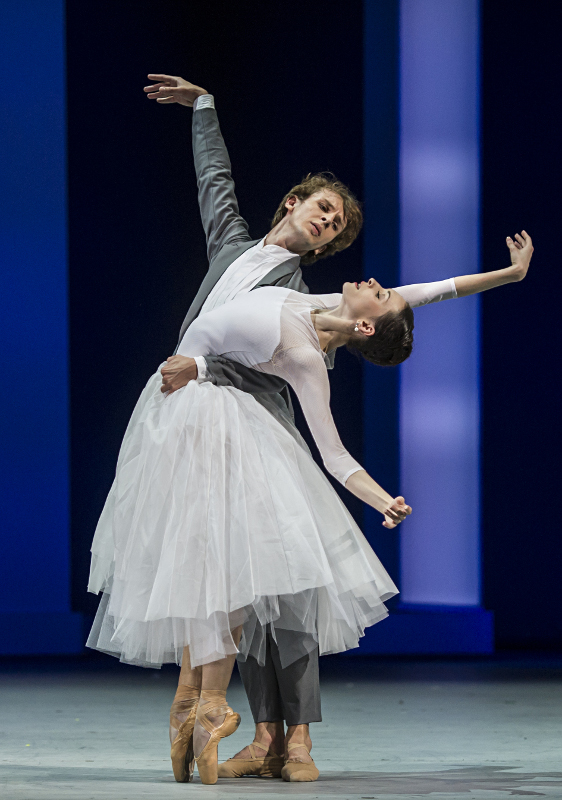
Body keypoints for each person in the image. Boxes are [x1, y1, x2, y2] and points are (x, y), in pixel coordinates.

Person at [86, 73, 534, 785]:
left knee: (257, 588)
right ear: (294, 203)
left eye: (339, 226)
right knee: (196, 565)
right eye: (324, 210)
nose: (330, 225)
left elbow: (410, 298)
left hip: (251, 428)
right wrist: (205, 106)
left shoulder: (305, 296)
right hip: (184, 417)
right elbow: (215, 179)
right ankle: (194, 715)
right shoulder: (233, 247)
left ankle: (277, 735)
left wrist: (502, 280)